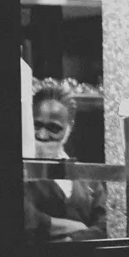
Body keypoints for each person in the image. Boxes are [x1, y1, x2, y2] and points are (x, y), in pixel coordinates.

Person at [25, 78, 107, 241]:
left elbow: (105, 225)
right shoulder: (22, 170)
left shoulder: (88, 179)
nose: (42, 135)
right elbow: (24, 219)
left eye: (53, 128)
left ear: (70, 127)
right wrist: (75, 227)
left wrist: (72, 240)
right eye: (37, 125)